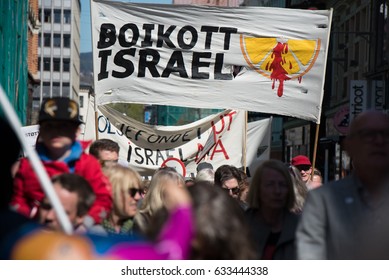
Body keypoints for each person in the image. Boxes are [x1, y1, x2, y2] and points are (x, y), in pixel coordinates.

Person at [296, 111, 389, 259]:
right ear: (349, 146)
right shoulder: (322, 201)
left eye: (385, 134)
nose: (379, 141)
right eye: (368, 135)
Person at [11, 97, 112, 228]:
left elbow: (103, 199)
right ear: (40, 130)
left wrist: (86, 222)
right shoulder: (28, 165)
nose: (56, 132)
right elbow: (18, 199)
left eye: (64, 127)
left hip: (78, 228)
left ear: (77, 131)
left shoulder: (88, 164)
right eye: (49, 126)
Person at [245, 160, 299, 259]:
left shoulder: (301, 228)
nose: (277, 191)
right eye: (270, 184)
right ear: (258, 188)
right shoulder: (240, 227)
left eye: (282, 185)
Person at [134, 167, 185, 234]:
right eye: (177, 190)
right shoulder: (141, 220)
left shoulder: (183, 217)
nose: (182, 194)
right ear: (160, 191)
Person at [101, 165, 143, 235]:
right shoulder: (88, 231)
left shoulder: (142, 230)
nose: (138, 197)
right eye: (132, 192)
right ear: (111, 192)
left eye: (140, 191)